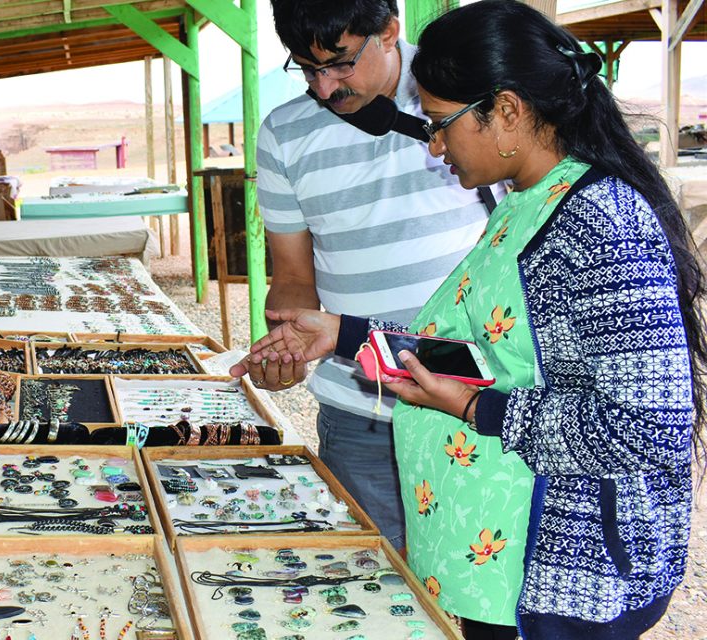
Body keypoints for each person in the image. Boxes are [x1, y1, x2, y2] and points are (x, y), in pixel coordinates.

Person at [243, 1, 706, 637]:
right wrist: (344, 334)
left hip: (564, 567)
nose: (433, 144)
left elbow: (645, 429)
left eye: (441, 124)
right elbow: (488, 352)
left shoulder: (599, 221)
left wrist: (470, 408)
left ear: (507, 111)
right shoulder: (527, 204)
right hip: (505, 554)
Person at [237, 0, 493, 550]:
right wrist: (286, 343)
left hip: (473, 399)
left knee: (474, 574)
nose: (325, 88)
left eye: (340, 63)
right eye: (307, 69)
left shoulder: (469, 90)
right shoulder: (284, 133)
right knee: (376, 580)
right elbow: (293, 274)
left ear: (389, 32)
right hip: (361, 408)